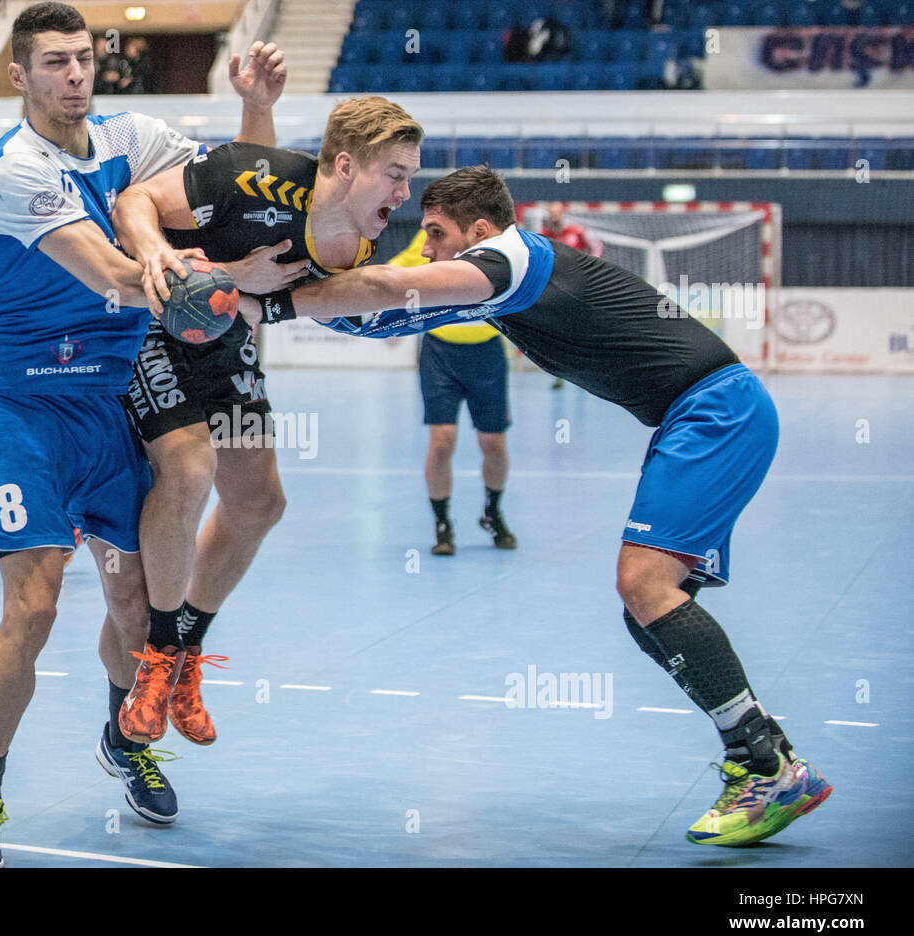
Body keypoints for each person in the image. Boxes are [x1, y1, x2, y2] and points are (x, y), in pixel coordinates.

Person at [242, 165, 832, 848]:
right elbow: (380, 317)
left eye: (436, 234)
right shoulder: (498, 285)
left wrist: (276, 301)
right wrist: (257, 301)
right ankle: (767, 758)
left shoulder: (512, 259)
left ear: (481, 233)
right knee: (649, 615)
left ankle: (767, 765)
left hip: (715, 412)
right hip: (700, 416)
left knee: (644, 584)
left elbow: (383, 285)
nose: (426, 247)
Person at [0, 1, 285, 868]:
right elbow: (118, 279)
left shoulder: (132, 133)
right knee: (37, 604)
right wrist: (237, 282)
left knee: (137, 602)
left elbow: (233, 186)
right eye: (54, 62)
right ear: (18, 75)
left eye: (84, 59)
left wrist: (253, 106)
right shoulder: (12, 172)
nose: (75, 75)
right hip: (23, 406)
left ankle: (123, 739)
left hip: (107, 399)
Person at [109, 95, 419, 747]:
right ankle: (159, 657)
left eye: (410, 176)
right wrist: (176, 263)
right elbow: (132, 205)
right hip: (156, 322)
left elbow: (312, 297)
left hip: (227, 339)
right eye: (395, 172)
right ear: (345, 165)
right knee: (190, 469)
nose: (405, 190)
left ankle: (189, 651)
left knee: (260, 501)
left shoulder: (354, 239)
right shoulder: (249, 175)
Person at [388, 229, 516, 555]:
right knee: (442, 441)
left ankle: (492, 512)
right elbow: (396, 273)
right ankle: (442, 524)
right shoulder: (431, 238)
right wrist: (387, 316)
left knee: (493, 444)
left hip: (486, 353)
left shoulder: (493, 242)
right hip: (440, 353)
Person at [539, 201, 602, 389]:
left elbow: (597, 248)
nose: (554, 216)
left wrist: (589, 269)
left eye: (557, 213)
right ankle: (559, 373)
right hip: (556, 292)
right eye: (551, 213)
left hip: (579, 290)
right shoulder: (544, 236)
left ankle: (587, 371)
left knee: (581, 329)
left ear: (563, 213)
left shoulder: (577, 232)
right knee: (556, 331)